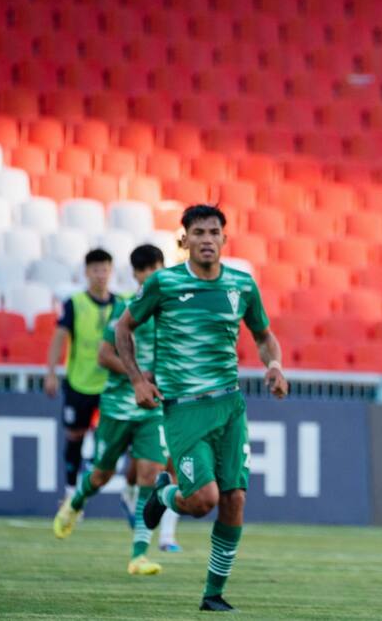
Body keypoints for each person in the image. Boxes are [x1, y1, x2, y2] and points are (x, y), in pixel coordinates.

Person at [115, 205, 289, 613]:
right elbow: (124, 328)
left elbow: (264, 336)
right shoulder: (164, 283)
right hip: (184, 410)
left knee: (235, 499)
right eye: (198, 232)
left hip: (229, 407)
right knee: (202, 500)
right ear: (184, 240)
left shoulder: (242, 286)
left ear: (224, 239)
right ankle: (165, 495)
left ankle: (213, 594)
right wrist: (137, 380)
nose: (207, 239)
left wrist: (275, 365)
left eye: (213, 232)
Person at [52, 244, 179, 574]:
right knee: (101, 475)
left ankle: (139, 555)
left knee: (151, 474)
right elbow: (104, 355)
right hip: (118, 407)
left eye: (156, 268)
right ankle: (75, 503)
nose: (150, 275)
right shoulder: (126, 307)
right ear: (135, 275)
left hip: (152, 409)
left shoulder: (173, 311)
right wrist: (138, 375)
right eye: (144, 270)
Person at [43, 249, 117, 499]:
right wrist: (51, 372)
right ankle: (70, 491)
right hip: (79, 383)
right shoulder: (74, 303)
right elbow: (58, 339)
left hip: (110, 385)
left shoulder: (120, 304)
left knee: (108, 438)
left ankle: (91, 479)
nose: (100, 275)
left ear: (111, 271)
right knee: (75, 436)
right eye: (95, 270)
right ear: (86, 272)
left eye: (105, 269)